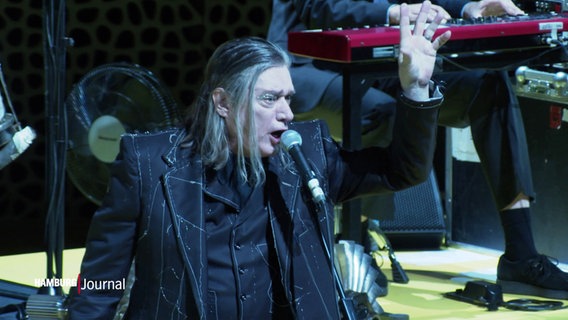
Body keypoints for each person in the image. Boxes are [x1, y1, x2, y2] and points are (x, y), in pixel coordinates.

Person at [66, 2, 450, 318]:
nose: (286, 113)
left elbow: (403, 170)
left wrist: (416, 89)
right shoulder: (148, 164)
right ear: (223, 102)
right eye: (269, 99)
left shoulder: (307, 156)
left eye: (288, 98)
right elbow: (102, 281)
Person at [267, 0, 568, 300]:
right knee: (384, 112)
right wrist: (392, 13)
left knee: (489, 84)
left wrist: (467, 6)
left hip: (380, 58)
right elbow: (317, 7)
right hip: (306, 65)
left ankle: (521, 254)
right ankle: (354, 245)